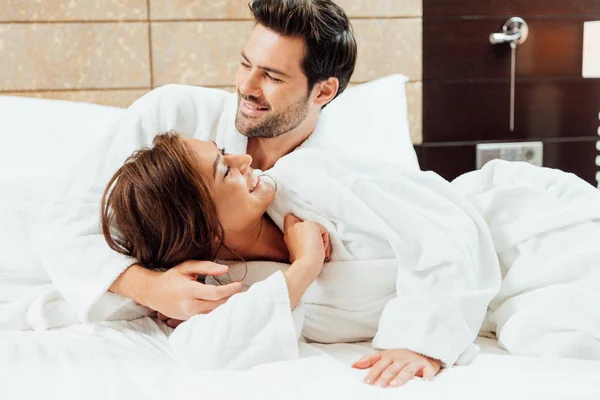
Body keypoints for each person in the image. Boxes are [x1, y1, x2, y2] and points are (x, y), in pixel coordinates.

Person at [39, 0, 356, 328]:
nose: (246, 87)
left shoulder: (338, 177)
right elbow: (65, 231)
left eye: (272, 77)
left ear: (323, 91)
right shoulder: (172, 115)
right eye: (245, 64)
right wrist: (151, 288)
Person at [100, 131, 501, 387]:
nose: (244, 160)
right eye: (225, 171)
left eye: (225, 152)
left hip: (503, 234)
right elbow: (202, 352)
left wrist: (423, 343)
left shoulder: (308, 179)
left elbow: (443, 223)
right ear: (202, 229)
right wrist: (304, 267)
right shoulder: (224, 286)